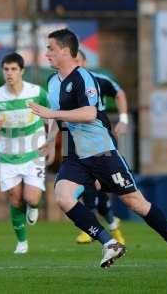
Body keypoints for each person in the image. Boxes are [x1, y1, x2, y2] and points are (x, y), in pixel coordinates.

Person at [29, 28, 167, 269]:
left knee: (136, 203)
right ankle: (108, 242)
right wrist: (50, 139)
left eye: (51, 49)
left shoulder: (84, 78)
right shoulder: (52, 81)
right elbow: (59, 119)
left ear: (66, 52)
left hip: (102, 153)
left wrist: (52, 114)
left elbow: (90, 113)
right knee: (63, 196)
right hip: (76, 156)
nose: (46, 53)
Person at [0, 52, 50, 254]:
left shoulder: (36, 92)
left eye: (14, 69)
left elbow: (52, 115)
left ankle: (33, 206)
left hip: (34, 151)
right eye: (6, 69)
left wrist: (51, 143)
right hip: (8, 154)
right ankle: (22, 242)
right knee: (15, 199)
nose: (10, 73)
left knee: (31, 198)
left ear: (22, 71)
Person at [70, 50, 128, 244]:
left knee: (100, 190)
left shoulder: (99, 80)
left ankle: (110, 226)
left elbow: (119, 93)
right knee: (83, 184)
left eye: (77, 60)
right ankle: (95, 228)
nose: (75, 64)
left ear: (85, 62)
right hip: (75, 139)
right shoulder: (63, 83)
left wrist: (124, 119)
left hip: (100, 138)